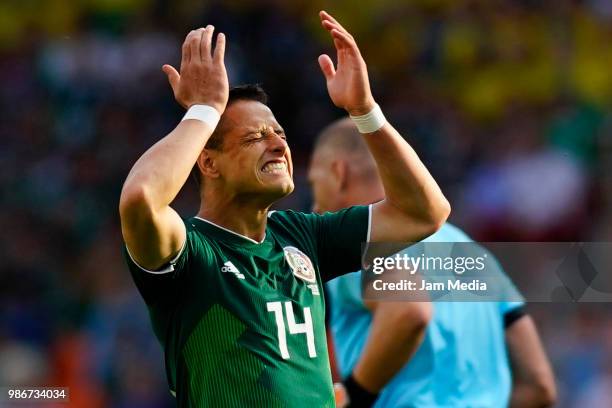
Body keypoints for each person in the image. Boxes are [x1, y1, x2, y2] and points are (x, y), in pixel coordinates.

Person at [118, 11, 450, 407]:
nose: (278, 145)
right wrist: (204, 110)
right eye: (256, 137)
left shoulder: (303, 236)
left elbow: (424, 213)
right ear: (208, 162)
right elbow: (141, 198)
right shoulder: (189, 253)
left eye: (280, 134)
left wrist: (365, 110)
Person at [309, 118, 557, 408]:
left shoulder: (353, 247)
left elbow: (409, 308)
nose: (313, 205)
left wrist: (355, 395)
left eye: (314, 183)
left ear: (339, 173)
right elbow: (540, 385)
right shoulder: (474, 253)